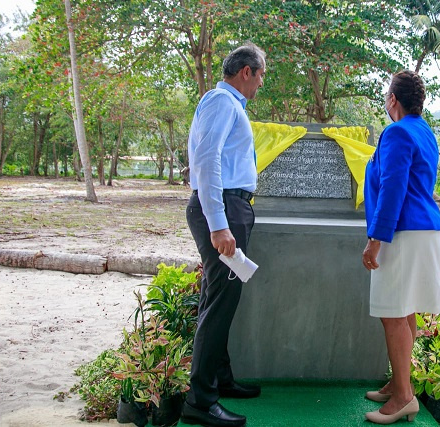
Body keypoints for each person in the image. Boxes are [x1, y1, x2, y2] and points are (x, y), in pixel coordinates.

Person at [181, 44, 266, 427]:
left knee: (220, 296)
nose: (261, 83)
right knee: (220, 301)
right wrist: (219, 223)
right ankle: (200, 400)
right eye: (261, 75)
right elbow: (206, 159)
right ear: (246, 71)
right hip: (223, 209)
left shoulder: (230, 105)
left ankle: (220, 378)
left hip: (232, 206)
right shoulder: (220, 101)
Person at [361, 70, 440, 425]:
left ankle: (402, 397)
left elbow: (393, 189)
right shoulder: (425, 131)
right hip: (426, 229)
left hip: (403, 231)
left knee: (392, 311)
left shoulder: (396, 132)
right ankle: (400, 382)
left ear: (393, 99)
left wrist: (374, 241)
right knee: (405, 309)